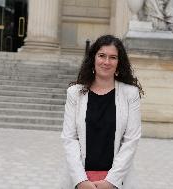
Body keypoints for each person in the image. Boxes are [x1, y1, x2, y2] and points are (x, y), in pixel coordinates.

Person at [60, 35, 143, 189]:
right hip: (81, 179)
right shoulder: (74, 93)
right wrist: (80, 180)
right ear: (93, 58)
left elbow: (131, 140)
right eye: (102, 56)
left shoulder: (130, 94)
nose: (106, 62)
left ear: (119, 63)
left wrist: (111, 181)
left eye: (113, 57)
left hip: (118, 181)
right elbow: (69, 138)